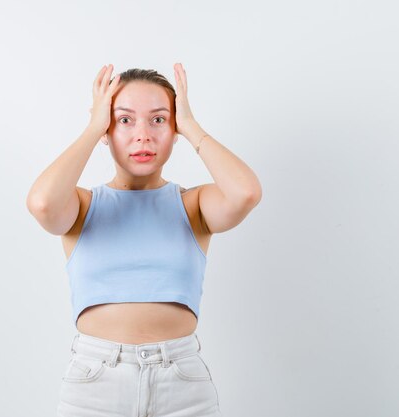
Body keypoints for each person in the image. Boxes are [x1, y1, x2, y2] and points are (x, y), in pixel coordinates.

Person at [26, 63, 262, 417]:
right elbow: (42, 204)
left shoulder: (193, 205)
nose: (143, 135)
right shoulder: (82, 206)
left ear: (174, 127)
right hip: (95, 386)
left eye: (158, 120)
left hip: (182, 385)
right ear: (107, 127)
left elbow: (245, 193)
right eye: (124, 120)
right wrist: (93, 128)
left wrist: (192, 126)